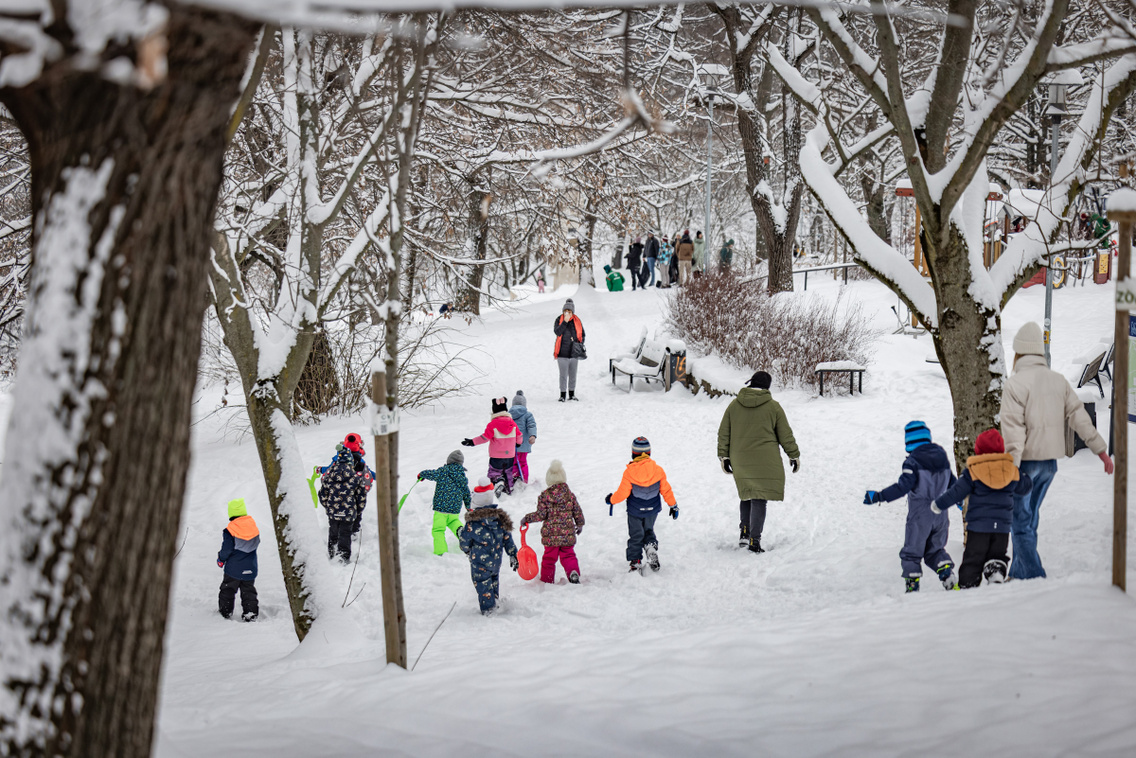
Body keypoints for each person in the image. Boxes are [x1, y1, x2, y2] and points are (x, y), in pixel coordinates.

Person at [1001, 321, 1113, 580]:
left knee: (1020, 522)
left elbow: (1014, 430)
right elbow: (1078, 416)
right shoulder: (1057, 381)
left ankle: (1032, 575)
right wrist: (1101, 451)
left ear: (1018, 353)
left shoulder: (1015, 385)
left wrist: (1012, 467)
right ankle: (1019, 571)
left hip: (1025, 463)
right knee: (1030, 517)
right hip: (1049, 464)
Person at [864, 421, 958, 592]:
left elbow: (902, 487)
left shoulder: (913, 462)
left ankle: (912, 585)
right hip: (941, 513)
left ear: (909, 442)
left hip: (921, 515)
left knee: (912, 551)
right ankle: (946, 573)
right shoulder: (942, 457)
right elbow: (953, 482)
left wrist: (878, 496)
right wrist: (959, 500)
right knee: (935, 548)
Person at [933, 429, 1032, 588]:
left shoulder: (973, 471)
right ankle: (996, 572)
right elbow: (1025, 487)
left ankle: (967, 585)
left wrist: (938, 504)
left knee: (973, 558)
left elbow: (955, 493)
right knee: (998, 555)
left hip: (978, 527)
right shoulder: (1011, 470)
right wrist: (1024, 476)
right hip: (1002, 527)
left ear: (979, 449)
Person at [717, 371, 800, 554]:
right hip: (765, 458)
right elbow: (785, 435)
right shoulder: (773, 407)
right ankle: (755, 540)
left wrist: (724, 456)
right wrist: (793, 455)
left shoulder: (734, 405)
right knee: (759, 497)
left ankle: (744, 533)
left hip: (740, 457)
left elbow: (724, 432)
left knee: (746, 492)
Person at [605, 436, 678, 573]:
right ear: (649, 453)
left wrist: (611, 500)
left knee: (636, 534)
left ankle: (635, 562)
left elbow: (622, 493)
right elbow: (666, 490)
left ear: (633, 454)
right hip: (652, 510)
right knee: (648, 530)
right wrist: (673, 505)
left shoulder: (629, 472)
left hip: (635, 511)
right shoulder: (658, 470)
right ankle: (650, 548)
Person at [460, 478, 520, 615]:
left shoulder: (472, 523)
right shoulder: (499, 520)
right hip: (495, 562)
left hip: (479, 563)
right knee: (493, 582)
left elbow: (464, 542)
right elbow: (507, 539)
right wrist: (513, 554)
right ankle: (495, 602)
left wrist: (467, 550)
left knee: (483, 585)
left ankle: (489, 610)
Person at [521, 460, 585, 584]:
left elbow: (540, 515)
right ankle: (573, 572)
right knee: (568, 555)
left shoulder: (544, 496)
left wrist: (527, 518)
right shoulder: (569, 495)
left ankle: (547, 580)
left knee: (549, 558)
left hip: (551, 535)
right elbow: (577, 510)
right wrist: (580, 524)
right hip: (567, 533)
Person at [318, 441, 373, 563]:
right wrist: (358, 510)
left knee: (333, 532)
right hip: (349, 513)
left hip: (333, 513)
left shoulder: (328, 477)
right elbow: (361, 496)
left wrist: (327, 506)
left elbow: (322, 494)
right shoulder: (356, 478)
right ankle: (343, 557)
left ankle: (332, 553)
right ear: (350, 462)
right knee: (345, 534)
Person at [462, 396, 523, 496]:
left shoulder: (492, 424)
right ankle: (509, 489)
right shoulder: (512, 424)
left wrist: (472, 442)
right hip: (510, 455)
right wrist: (518, 443)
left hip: (496, 455)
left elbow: (484, 438)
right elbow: (519, 435)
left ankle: (497, 483)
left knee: (494, 472)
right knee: (508, 472)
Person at [418, 449, 471, 555]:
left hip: (441, 508)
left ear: (449, 461)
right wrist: (468, 505)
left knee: (438, 530)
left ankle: (440, 552)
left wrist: (421, 474)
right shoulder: (462, 477)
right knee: (453, 522)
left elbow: (431, 474)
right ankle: (461, 532)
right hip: (454, 509)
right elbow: (466, 492)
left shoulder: (443, 471)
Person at [217, 497, 259, 621]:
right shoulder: (253, 527)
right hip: (251, 567)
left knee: (228, 589)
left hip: (233, 569)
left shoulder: (230, 530)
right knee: (249, 591)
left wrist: (221, 559)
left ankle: (225, 612)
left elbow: (227, 550)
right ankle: (250, 613)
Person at [553, 298, 585, 402]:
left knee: (573, 375)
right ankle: (562, 395)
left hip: (574, 353)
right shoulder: (559, 320)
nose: (567, 313)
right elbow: (557, 332)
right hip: (562, 353)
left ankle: (572, 394)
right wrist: (565, 322)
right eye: (565, 311)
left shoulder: (577, 321)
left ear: (573, 312)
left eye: (569, 312)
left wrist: (579, 344)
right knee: (563, 375)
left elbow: (582, 334)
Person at [509, 390, 538, 484]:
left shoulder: (508, 415)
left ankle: (514, 478)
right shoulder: (527, 415)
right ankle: (524, 480)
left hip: (511, 444)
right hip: (524, 444)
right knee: (523, 462)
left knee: (512, 462)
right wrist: (532, 435)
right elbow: (532, 426)